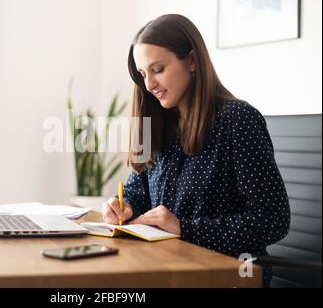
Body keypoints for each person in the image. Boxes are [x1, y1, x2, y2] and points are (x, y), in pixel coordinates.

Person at [102, 14, 290, 287]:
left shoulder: (238, 120)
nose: (149, 85)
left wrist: (185, 228)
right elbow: (137, 191)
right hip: (167, 267)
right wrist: (124, 206)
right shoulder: (159, 124)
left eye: (158, 69)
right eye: (143, 74)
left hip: (228, 276)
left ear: (191, 61)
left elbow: (272, 220)